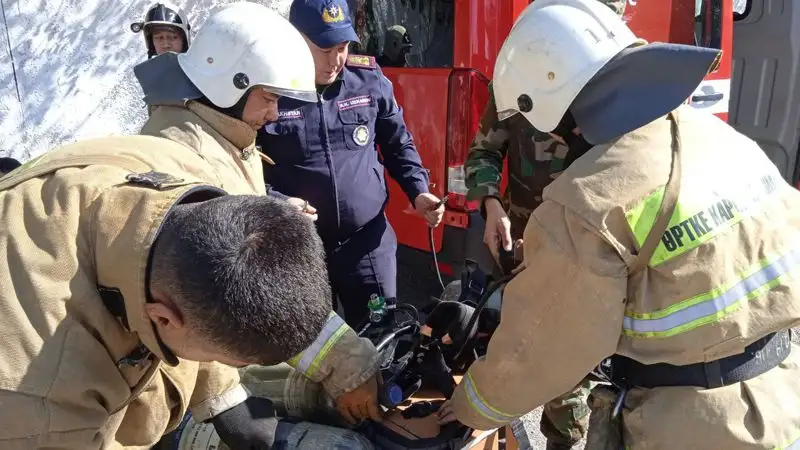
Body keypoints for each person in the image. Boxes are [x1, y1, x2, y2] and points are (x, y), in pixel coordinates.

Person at [435, 0, 800, 449]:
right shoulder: (723, 139)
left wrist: (471, 406)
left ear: (556, 103)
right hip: (782, 399)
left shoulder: (589, 202)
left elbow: (541, 350)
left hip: (693, 426)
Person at [463, 1, 625, 447]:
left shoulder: (617, 90)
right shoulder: (520, 76)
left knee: (573, 355)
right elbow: (483, 151)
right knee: (518, 339)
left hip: (588, 247)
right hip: (522, 241)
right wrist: (491, 204)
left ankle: (562, 436)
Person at [258, 0, 445, 327]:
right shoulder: (267, 90)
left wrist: (418, 191)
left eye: (342, 48)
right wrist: (278, 203)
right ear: (296, 40)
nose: (336, 61)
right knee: (310, 341)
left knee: (381, 337)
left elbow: (397, 143)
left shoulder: (367, 79)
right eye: (325, 50)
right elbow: (241, 165)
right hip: (299, 247)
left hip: (366, 241)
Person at [134, 2, 317, 217]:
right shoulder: (187, 153)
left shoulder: (220, 129)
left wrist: (279, 205)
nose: (274, 114)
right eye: (268, 99)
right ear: (229, 86)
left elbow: (234, 190)